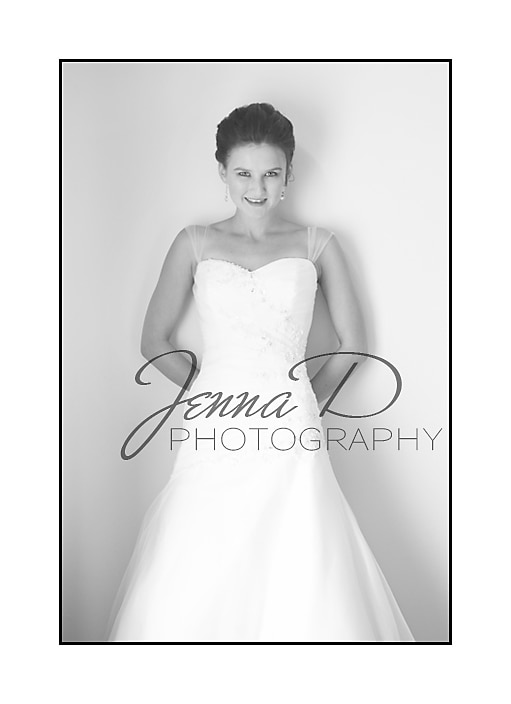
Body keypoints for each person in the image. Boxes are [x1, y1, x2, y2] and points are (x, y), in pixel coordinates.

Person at [106, 102, 415, 642]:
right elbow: (153, 342)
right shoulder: (194, 241)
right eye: (243, 173)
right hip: (214, 419)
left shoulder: (318, 244)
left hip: (291, 419)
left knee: (300, 544)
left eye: (271, 173)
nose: (257, 187)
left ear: (289, 175)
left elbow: (354, 345)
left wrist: (305, 399)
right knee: (203, 541)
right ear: (222, 172)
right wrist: (208, 392)